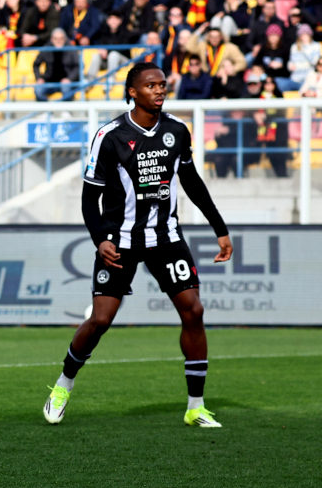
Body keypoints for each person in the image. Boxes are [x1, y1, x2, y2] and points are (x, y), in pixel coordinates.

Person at [43, 63, 233, 429]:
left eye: (162, 85)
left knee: (193, 311)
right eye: (151, 86)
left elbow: (192, 182)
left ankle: (195, 406)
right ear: (133, 91)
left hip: (166, 237)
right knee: (100, 320)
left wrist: (219, 228)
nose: (159, 91)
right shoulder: (110, 135)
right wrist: (100, 240)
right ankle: (63, 384)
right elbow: (89, 199)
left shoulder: (177, 130)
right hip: (121, 240)